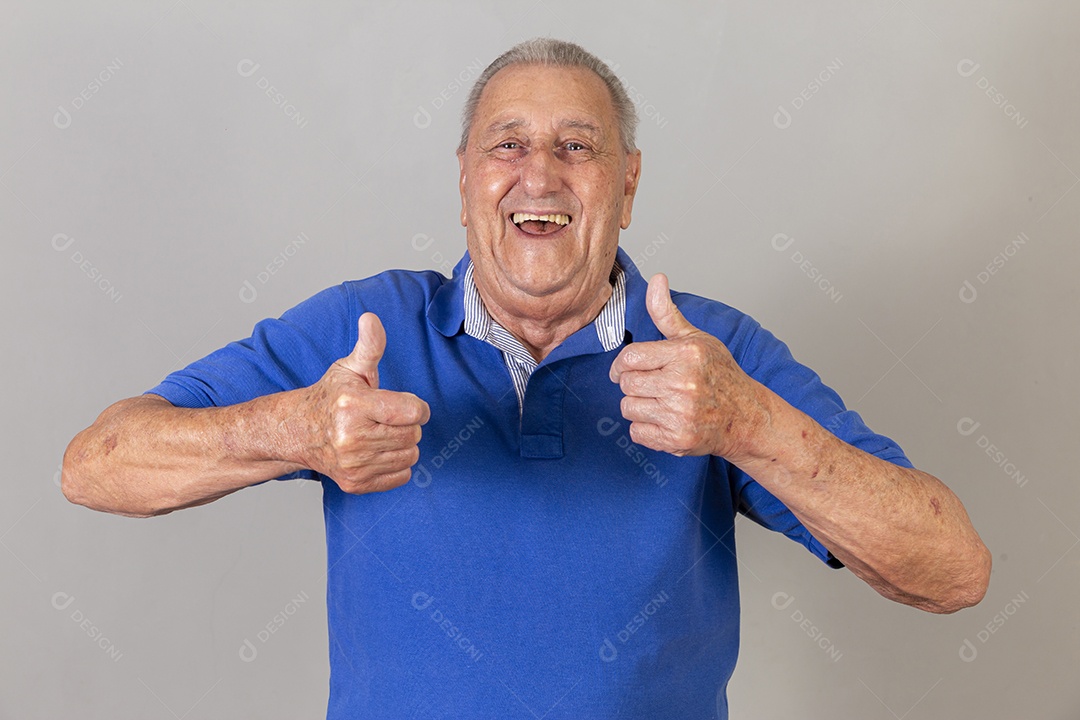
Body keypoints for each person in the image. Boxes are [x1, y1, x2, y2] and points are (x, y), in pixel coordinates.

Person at [62, 38, 990, 719]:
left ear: (626, 187)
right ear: (465, 181)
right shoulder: (368, 328)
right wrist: (289, 432)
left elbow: (952, 570)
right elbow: (96, 465)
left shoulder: (710, 354)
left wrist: (749, 425)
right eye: (507, 146)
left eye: (577, 147)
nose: (539, 174)